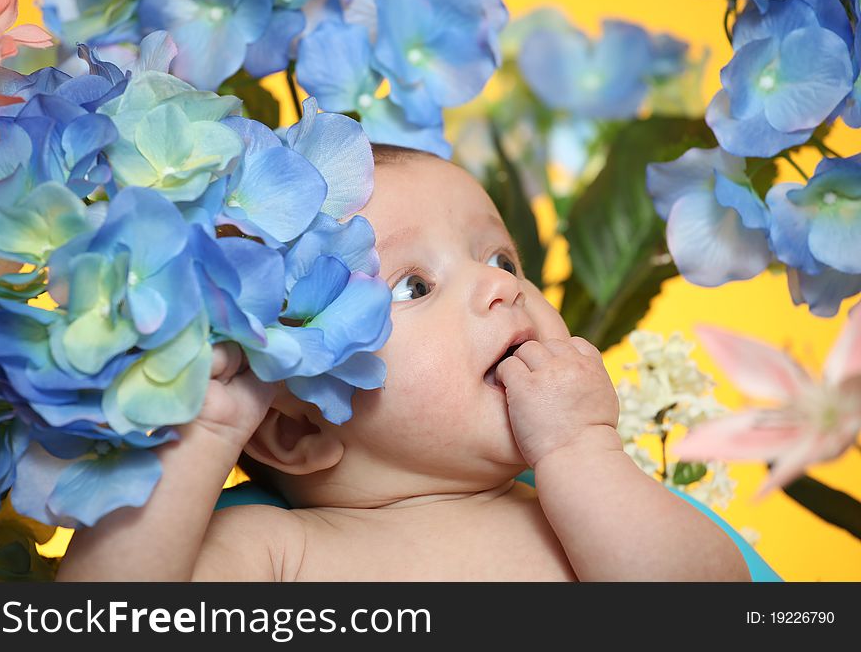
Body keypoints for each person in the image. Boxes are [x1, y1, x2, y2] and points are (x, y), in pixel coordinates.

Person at [57, 145, 751, 581]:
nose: (502, 285)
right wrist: (205, 432)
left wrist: (582, 446)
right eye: (413, 285)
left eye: (500, 257)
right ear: (297, 430)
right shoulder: (279, 552)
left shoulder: (575, 515)